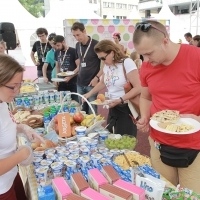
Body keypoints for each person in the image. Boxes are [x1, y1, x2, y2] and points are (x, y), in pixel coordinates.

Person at [133, 20, 200, 193]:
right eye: (142, 56)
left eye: (149, 53)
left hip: (194, 146)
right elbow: (146, 97)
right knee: (162, 192)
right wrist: (144, 116)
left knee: (191, 195)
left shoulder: (196, 57)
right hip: (159, 143)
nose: (146, 60)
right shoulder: (147, 66)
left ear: (165, 41)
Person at [0, 54, 44, 199]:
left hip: (10, 176)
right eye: (13, 87)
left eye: (20, 84)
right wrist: (22, 154)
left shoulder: (3, 101)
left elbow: (5, 126)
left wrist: (23, 128)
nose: (17, 91)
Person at [83, 40, 140, 137]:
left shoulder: (126, 63)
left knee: (125, 141)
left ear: (112, 52)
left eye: (103, 58)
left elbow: (138, 87)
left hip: (126, 108)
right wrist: (89, 94)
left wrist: (120, 100)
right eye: (100, 58)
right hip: (113, 107)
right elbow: (102, 83)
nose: (102, 61)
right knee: (111, 138)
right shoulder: (106, 65)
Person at [71, 22, 102, 114]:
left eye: (78, 35)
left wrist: (96, 78)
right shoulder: (77, 45)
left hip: (91, 84)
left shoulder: (96, 45)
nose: (77, 38)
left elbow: (104, 66)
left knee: (92, 110)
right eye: (74, 36)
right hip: (80, 83)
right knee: (82, 111)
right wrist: (71, 73)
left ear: (84, 31)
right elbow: (81, 64)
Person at [54, 35, 79, 102]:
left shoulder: (73, 51)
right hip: (61, 82)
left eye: (58, 45)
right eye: (56, 46)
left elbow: (79, 66)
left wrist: (70, 77)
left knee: (74, 102)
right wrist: (57, 79)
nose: (57, 47)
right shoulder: (56, 52)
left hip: (73, 82)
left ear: (63, 42)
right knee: (63, 102)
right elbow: (57, 66)